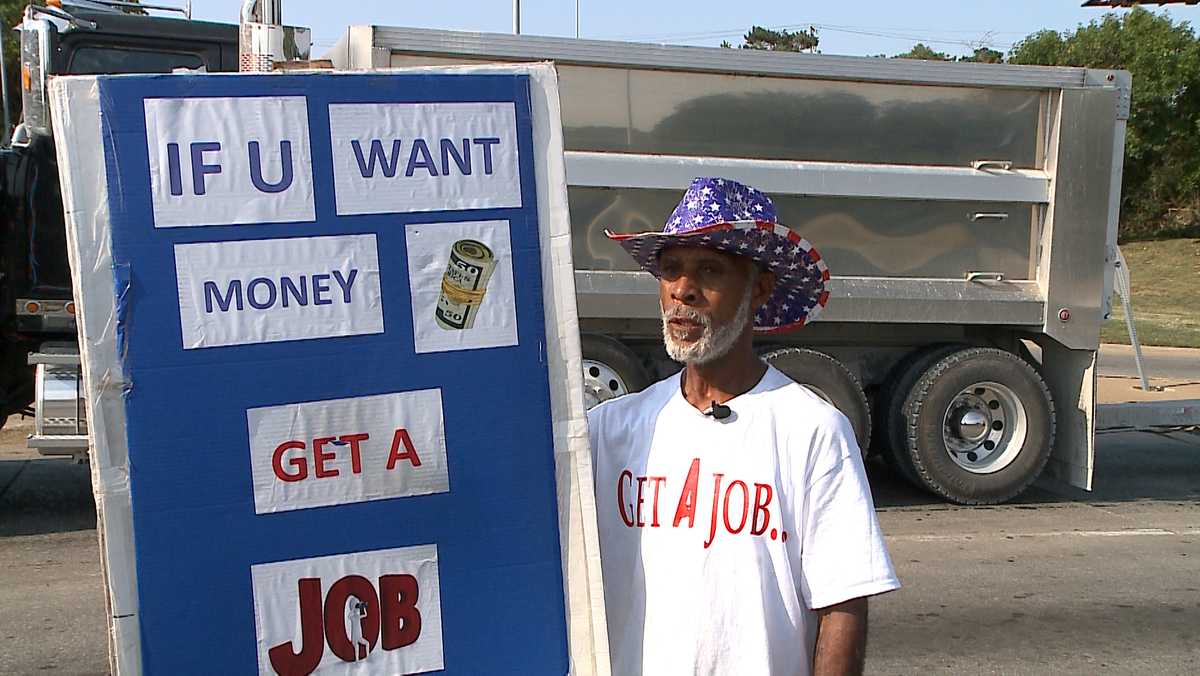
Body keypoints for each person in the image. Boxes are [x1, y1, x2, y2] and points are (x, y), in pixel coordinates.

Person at [587, 177, 899, 676]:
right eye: (671, 271)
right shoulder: (608, 432)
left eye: (709, 270)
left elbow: (842, 603)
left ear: (760, 289)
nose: (682, 290)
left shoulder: (812, 430)